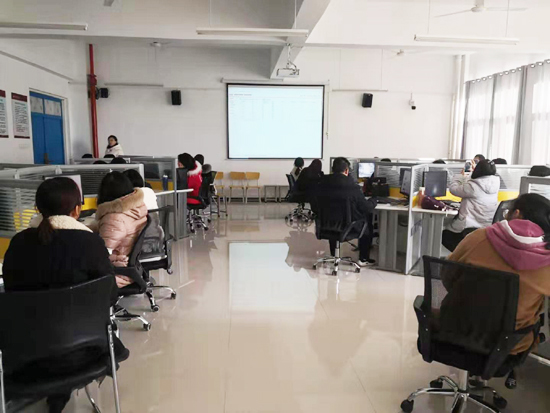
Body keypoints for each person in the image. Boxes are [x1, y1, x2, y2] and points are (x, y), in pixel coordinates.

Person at [2, 177, 129, 413]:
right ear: (77, 209)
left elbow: (11, 294)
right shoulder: (90, 243)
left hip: (24, 357)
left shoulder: (19, 244)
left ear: (38, 209)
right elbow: (109, 296)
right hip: (86, 352)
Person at [444, 193, 550, 357]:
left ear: (516, 214)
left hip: (456, 329)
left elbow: (447, 276)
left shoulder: (477, 237)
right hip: (509, 344)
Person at [316, 157, 377, 267]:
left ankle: (334, 255)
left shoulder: (321, 184)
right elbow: (366, 207)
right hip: (347, 227)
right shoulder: (352, 187)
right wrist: (374, 200)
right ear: (347, 170)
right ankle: (363, 258)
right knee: (367, 224)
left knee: (332, 218)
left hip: (325, 225)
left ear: (332, 169)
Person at [96, 172, 148, 287]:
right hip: (131, 267)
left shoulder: (114, 218)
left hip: (116, 272)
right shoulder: (136, 208)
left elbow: (101, 253)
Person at [442, 159, 500, 252]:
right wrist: (470, 175)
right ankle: (466, 254)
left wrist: (460, 176)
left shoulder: (473, 186)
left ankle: (462, 255)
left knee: (444, 234)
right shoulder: (495, 183)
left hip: (468, 227)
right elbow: (478, 182)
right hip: (485, 227)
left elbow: (453, 189)